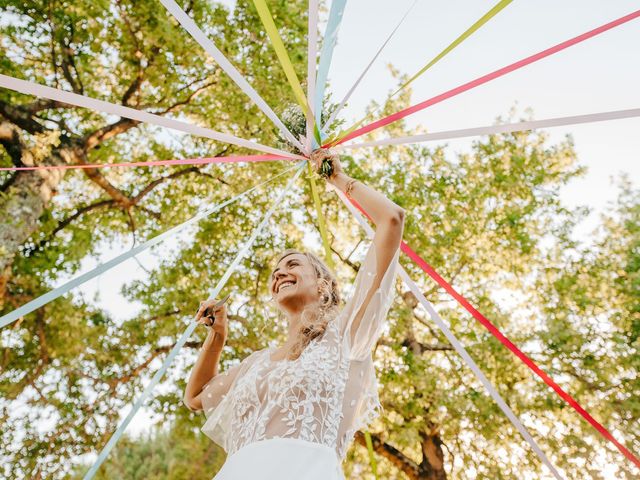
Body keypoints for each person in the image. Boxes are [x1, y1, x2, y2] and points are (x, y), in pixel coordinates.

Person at [183, 148, 405, 479]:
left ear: (323, 286)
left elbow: (392, 219)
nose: (279, 273)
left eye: (292, 264)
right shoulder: (256, 363)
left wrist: (336, 177)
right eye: (275, 271)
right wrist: (217, 338)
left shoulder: (347, 336)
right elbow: (196, 398)